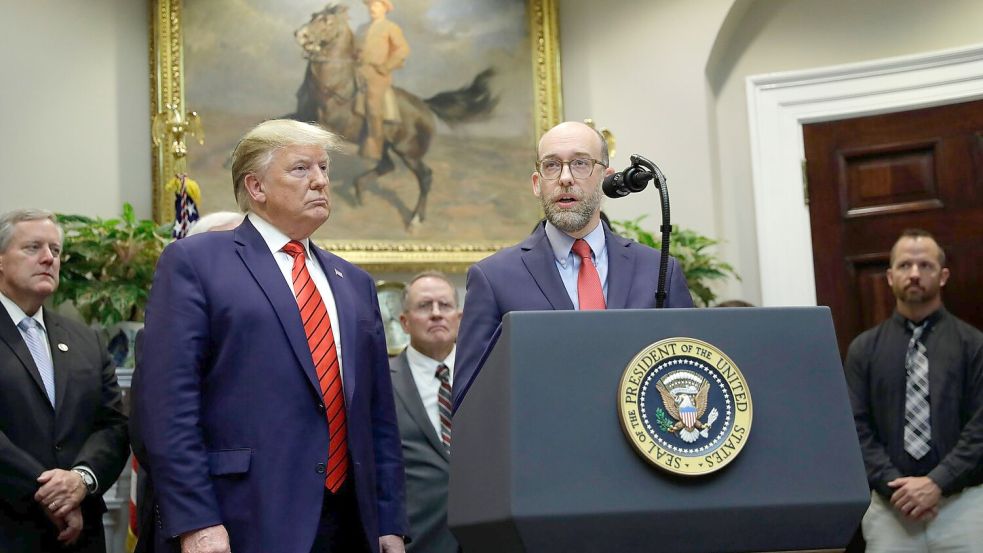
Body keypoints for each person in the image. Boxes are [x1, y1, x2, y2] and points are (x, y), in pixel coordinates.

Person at [132, 119, 407, 553]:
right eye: (301, 169)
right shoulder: (198, 262)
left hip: (349, 523)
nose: (320, 181)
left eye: (324, 168)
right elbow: (168, 406)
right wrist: (196, 521)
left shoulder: (352, 282)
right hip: (242, 517)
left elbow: (378, 416)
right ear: (256, 187)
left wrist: (389, 521)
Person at [452, 121, 693, 409]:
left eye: (580, 163)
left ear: (606, 178)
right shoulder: (493, 278)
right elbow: (471, 400)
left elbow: (689, 374)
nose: (565, 178)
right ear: (536, 183)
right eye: (552, 166)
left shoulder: (658, 271)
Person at [845, 229, 983, 552]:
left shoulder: (974, 345)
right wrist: (899, 490)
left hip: (962, 508)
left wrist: (937, 482)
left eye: (926, 265)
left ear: (944, 275)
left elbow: (980, 429)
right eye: (905, 266)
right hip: (889, 512)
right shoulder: (863, 350)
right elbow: (854, 429)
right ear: (890, 277)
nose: (915, 274)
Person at [0, 208, 129, 552]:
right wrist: (49, 495)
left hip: (81, 534)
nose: (48, 259)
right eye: (33, 248)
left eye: (55, 250)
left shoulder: (86, 339)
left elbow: (113, 426)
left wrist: (81, 480)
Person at [389, 271, 462, 553]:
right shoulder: (381, 381)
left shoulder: (488, 373)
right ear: (404, 322)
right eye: (424, 306)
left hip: (488, 537)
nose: (436, 314)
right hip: (417, 540)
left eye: (444, 305)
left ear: (459, 316)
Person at [356, 0, 410, 160]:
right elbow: (355, 49)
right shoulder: (361, 28)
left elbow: (403, 49)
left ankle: (374, 145)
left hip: (378, 74)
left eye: (376, 5)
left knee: (373, 105)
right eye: (370, 5)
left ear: (385, 9)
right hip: (358, 71)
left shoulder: (390, 27)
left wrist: (386, 66)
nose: (372, 8)